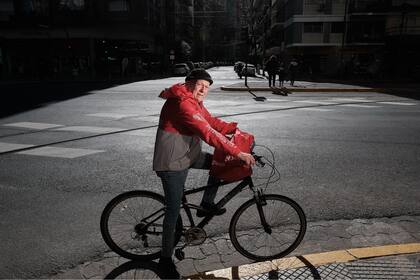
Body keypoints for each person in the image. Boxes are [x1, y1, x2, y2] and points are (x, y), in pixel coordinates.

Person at [153, 68, 256, 279]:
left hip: (187, 155)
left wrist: (234, 130)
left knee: (220, 163)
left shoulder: (194, 101)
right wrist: (238, 152)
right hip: (172, 163)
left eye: (207, 87)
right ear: (189, 83)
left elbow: (211, 122)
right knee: (173, 212)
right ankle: (165, 260)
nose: (203, 89)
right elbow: (208, 133)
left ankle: (206, 204)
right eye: (200, 84)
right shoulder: (183, 103)